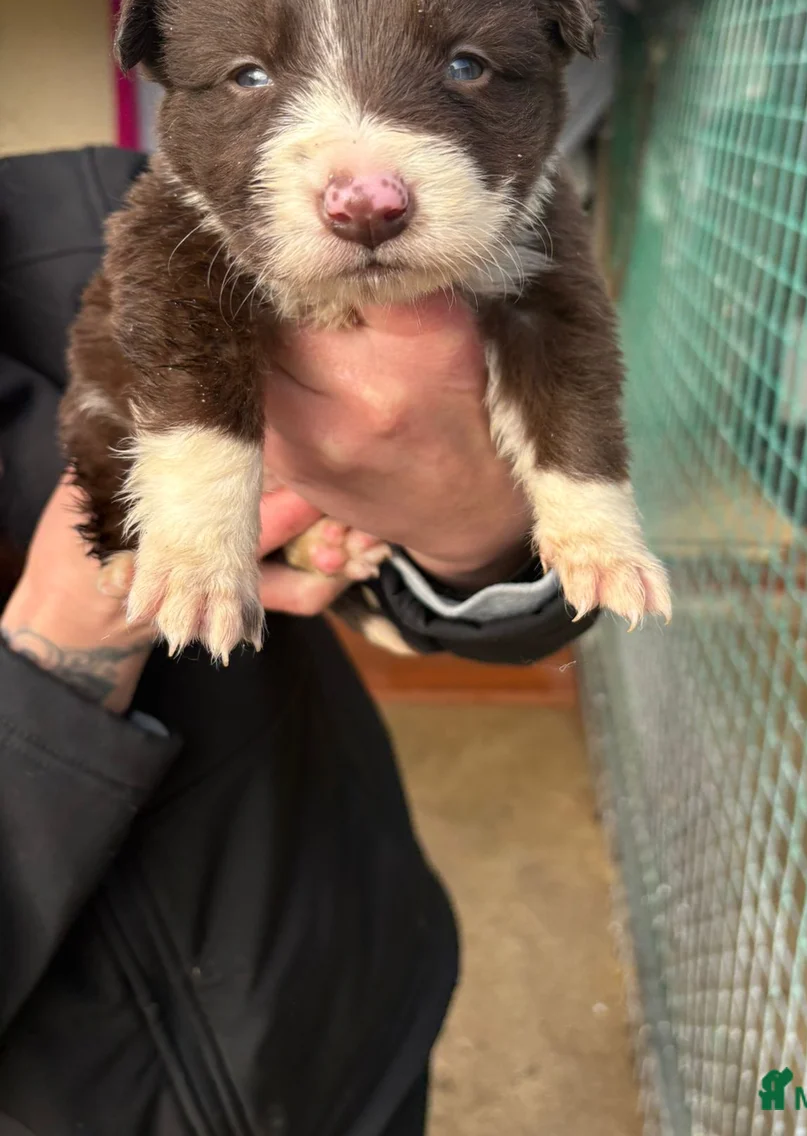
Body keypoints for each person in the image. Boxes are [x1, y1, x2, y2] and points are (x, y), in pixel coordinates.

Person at [0, 146, 595, 1135]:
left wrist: (467, 525)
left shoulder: (122, 210)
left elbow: (502, 580)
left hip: (356, 996)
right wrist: (68, 638)